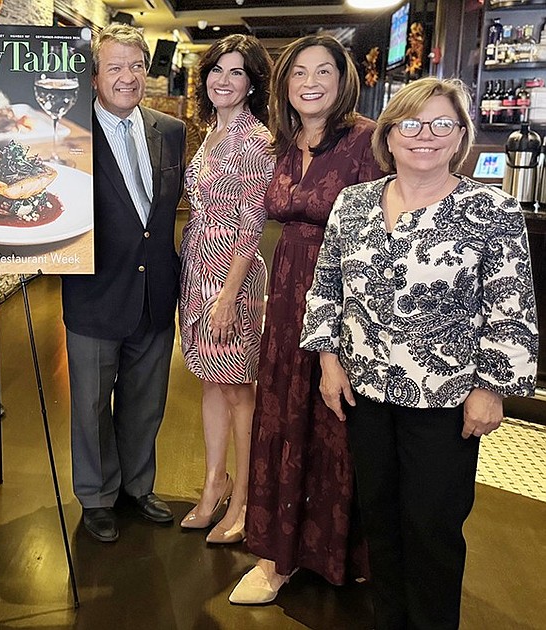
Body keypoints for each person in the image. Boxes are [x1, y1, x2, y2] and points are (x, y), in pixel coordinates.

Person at [301, 77, 537, 629]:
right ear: (389, 134)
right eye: (410, 123)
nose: (424, 136)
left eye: (441, 125)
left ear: (460, 138)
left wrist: (490, 388)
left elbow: (511, 305)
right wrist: (329, 362)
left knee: (432, 528)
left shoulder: (490, 208)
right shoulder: (354, 203)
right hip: (366, 393)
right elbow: (326, 287)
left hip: (446, 399)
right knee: (379, 521)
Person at [230, 35, 385, 605]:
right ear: (284, 84)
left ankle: (342, 554)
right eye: (299, 72)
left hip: (347, 293)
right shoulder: (284, 143)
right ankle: (280, 555)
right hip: (287, 294)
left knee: (338, 422)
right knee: (284, 414)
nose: (311, 81)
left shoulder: (369, 140)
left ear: (345, 79)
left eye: (325, 70)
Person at [61, 23, 187, 543]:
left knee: (146, 400)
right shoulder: (65, 136)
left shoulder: (170, 129)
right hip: (94, 293)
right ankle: (96, 496)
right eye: (115, 67)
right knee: (90, 406)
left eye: (136, 65)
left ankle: (138, 486)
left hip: (156, 290)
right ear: (94, 77)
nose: (128, 77)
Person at [177, 34, 274, 545]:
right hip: (196, 264)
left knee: (239, 388)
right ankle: (215, 483)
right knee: (210, 380)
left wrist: (228, 295)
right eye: (217, 69)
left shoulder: (256, 140)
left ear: (252, 83)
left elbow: (252, 225)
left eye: (237, 72)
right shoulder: (210, 132)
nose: (224, 79)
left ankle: (246, 499)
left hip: (230, 270)